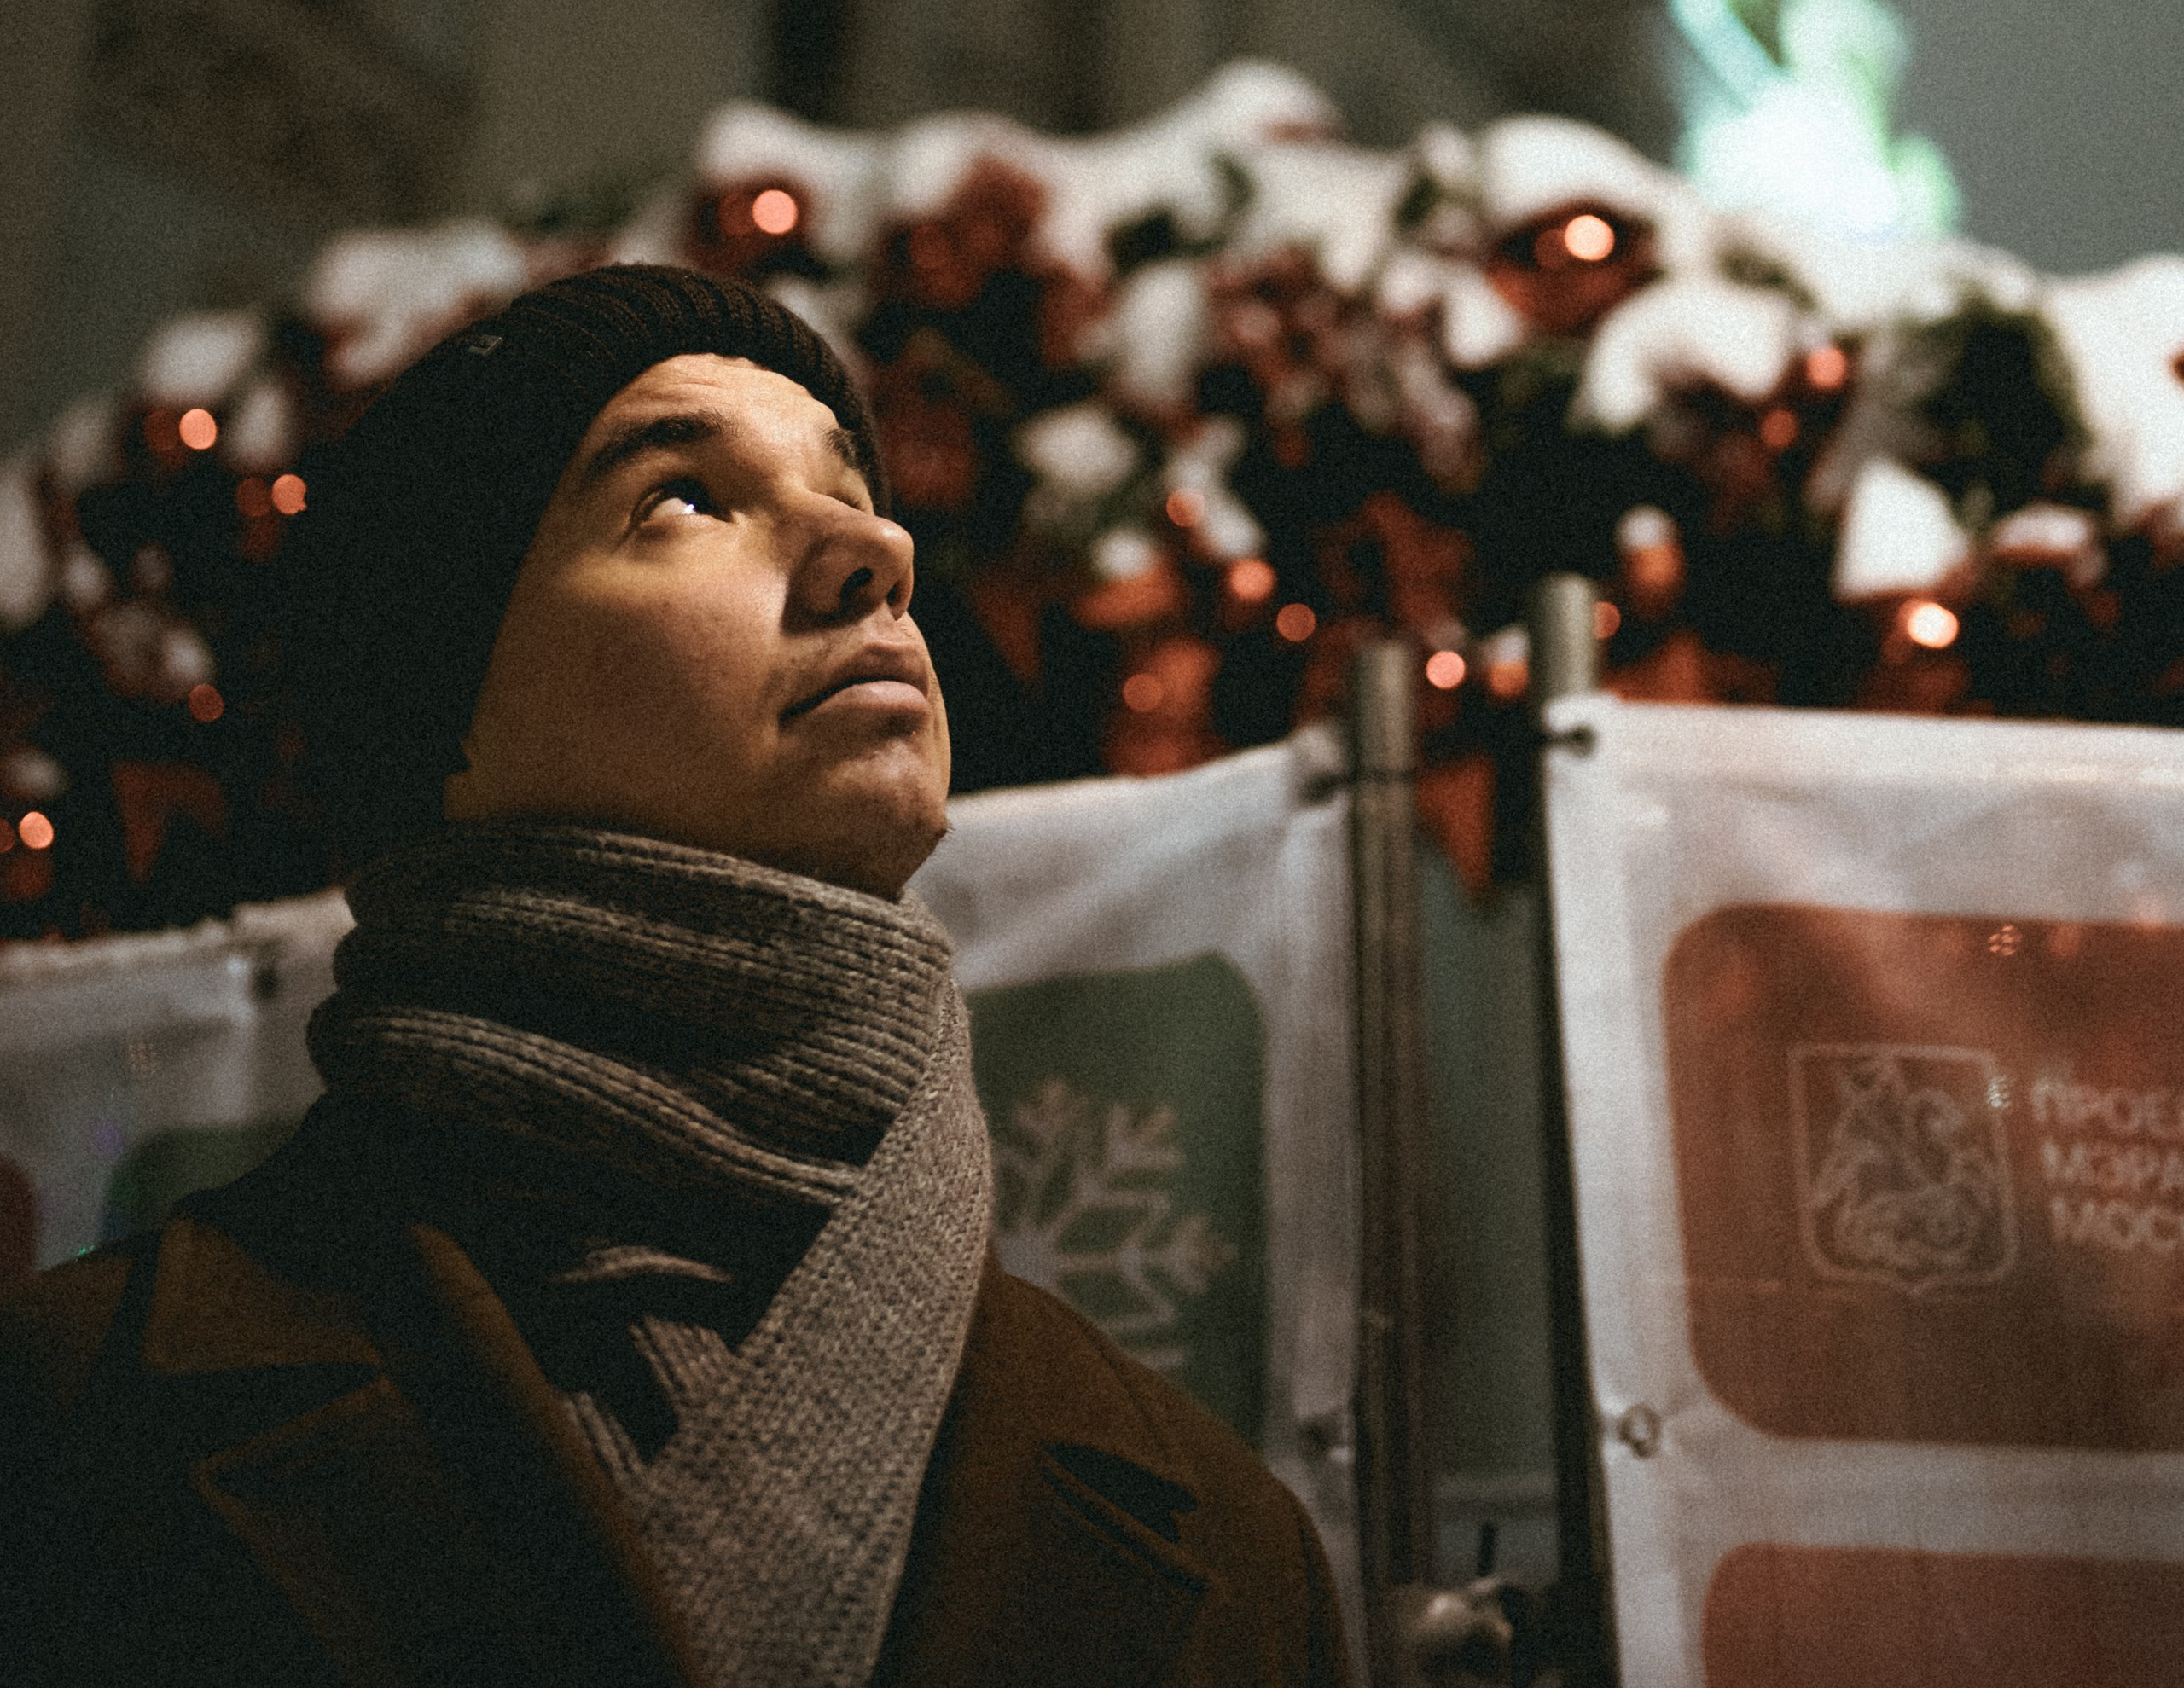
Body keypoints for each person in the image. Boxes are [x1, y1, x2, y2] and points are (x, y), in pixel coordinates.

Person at [2, 265, 1349, 1687]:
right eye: (683, 499)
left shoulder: (1230, 1544)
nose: (870, 543)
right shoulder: (62, 1422)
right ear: (438, 701)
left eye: (851, 482)